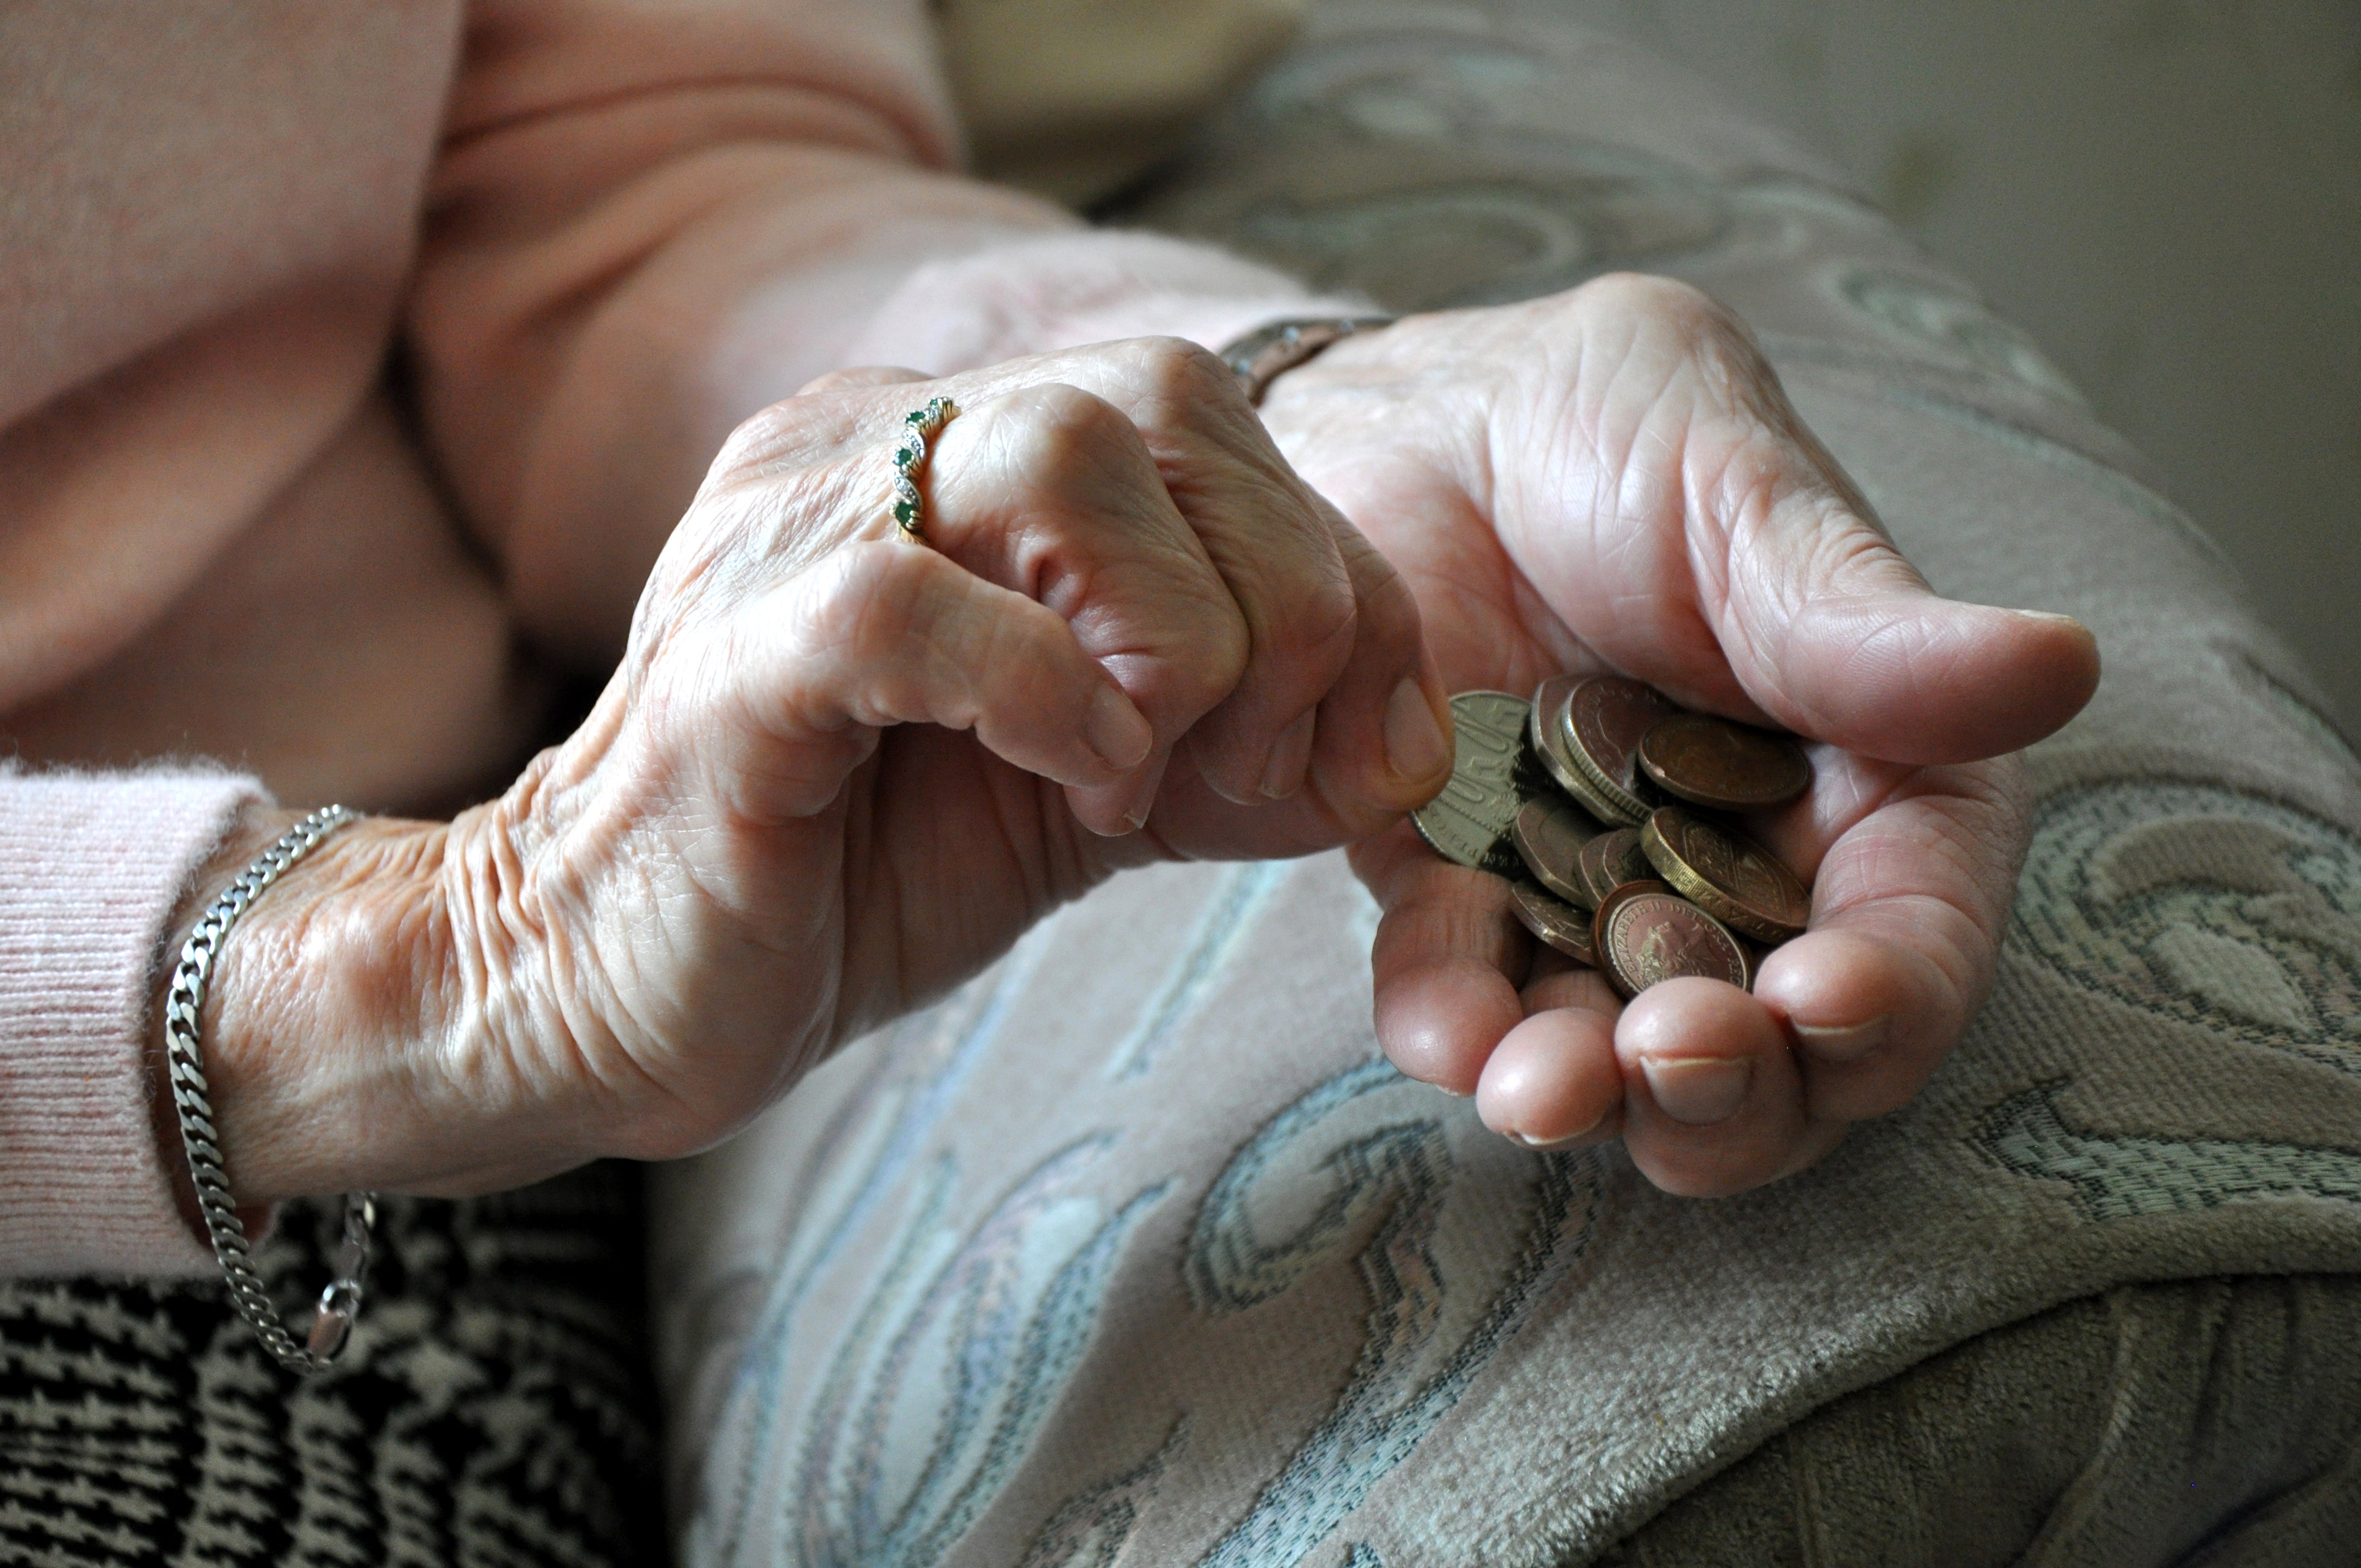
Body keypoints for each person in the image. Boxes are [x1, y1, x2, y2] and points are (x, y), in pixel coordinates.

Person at [0, 0, 2097, 1289]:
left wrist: (1279, 413)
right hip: (290, 1077)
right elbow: (432, 984)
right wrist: (416, 971)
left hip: (383, 1217)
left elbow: (629, 197)